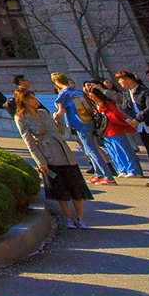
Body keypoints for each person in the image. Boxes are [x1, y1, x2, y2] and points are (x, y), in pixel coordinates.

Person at [12, 86, 91, 228]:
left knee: (76, 188)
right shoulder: (21, 117)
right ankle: (69, 218)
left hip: (64, 153)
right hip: (48, 155)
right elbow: (29, 141)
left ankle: (81, 218)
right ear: (23, 101)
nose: (34, 100)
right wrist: (41, 162)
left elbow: (60, 132)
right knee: (61, 191)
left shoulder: (43, 113)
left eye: (33, 97)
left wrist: (59, 116)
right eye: (30, 98)